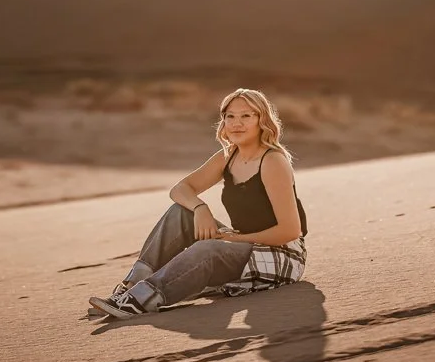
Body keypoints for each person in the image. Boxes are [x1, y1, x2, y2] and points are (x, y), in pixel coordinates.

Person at [89, 88, 309, 319]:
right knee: (180, 212)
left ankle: (143, 299)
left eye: (247, 116)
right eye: (230, 116)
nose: (237, 123)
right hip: (242, 245)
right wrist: (200, 208)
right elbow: (180, 189)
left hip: (281, 256)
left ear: (261, 120)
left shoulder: (273, 161)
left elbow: (289, 231)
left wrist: (233, 239)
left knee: (207, 248)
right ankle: (129, 288)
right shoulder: (228, 156)